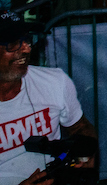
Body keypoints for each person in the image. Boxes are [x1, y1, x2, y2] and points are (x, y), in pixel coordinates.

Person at [0, 10, 97, 184]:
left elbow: (80, 127)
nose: (27, 48)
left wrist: (85, 153)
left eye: (27, 40)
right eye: (13, 43)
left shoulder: (54, 81)